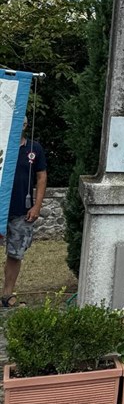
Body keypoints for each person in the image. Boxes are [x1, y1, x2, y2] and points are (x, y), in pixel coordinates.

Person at [2, 117, 47, 308]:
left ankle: (6, 295)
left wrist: (37, 206)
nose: (17, 125)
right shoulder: (2, 145)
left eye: (21, 122)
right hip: (1, 209)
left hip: (22, 211)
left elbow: (41, 176)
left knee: (15, 254)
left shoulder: (34, 148)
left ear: (25, 125)